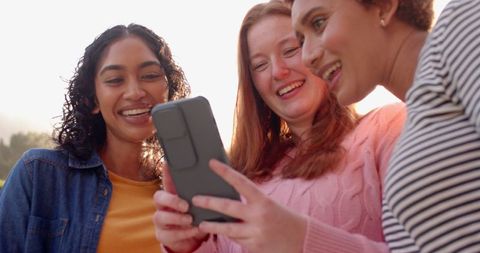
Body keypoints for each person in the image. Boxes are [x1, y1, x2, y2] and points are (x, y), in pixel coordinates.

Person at [152, 2, 405, 253]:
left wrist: (301, 239)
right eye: (260, 65)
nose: (278, 72)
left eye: (290, 49)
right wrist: (184, 247)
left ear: (315, 50)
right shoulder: (238, 178)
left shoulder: (387, 128)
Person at [290, 0, 480, 252]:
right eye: (301, 41)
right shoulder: (411, 139)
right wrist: (301, 239)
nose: (307, 57)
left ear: (383, 6)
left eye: (319, 23)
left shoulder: (463, 25)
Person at [0, 23, 190, 252]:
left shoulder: (189, 191)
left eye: (150, 75)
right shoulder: (39, 175)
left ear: (168, 89)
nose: (135, 92)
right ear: (92, 100)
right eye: (115, 80)